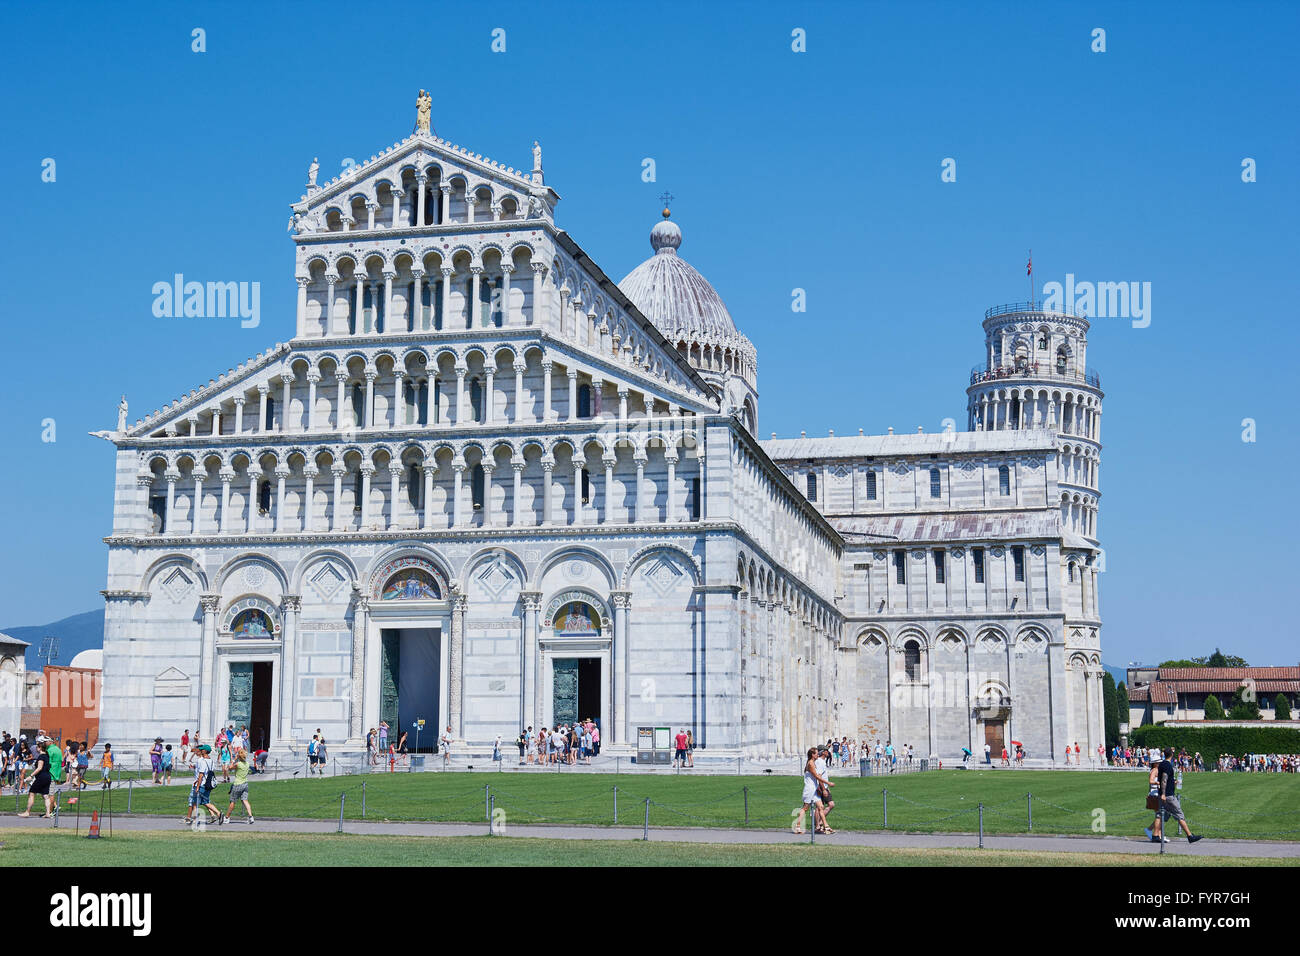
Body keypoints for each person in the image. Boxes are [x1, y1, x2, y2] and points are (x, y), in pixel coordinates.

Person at [1146, 747, 1203, 844]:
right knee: (1179, 814)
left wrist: (1173, 782)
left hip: (1162, 794)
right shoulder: (1168, 765)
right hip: (1168, 795)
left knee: (1160, 815)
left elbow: (1165, 779)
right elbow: (1164, 779)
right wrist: (1164, 794)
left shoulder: (1162, 764)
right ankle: (1190, 836)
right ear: (1172, 755)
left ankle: (1155, 835)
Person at [794, 747, 831, 834]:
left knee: (821, 807)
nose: (818, 754)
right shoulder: (810, 764)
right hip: (809, 789)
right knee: (805, 808)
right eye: (816, 753)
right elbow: (817, 776)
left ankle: (826, 826)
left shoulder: (813, 763)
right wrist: (828, 783)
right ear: (812, 755)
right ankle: (798, 826)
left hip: (814, 789)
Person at [18, 741, 54, 818]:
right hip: (47, 776)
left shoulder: (41, 757)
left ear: (40, 748)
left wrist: (31, 776)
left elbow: (39, 768)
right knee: (45, 795)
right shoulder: (47, 756)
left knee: (31, 793)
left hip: (41, 777)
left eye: (37, 747)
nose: (36, 749)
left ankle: (27, 812)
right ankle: (48, 813)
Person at [188, 744, 222, 825]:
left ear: (205, 751)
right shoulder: (211, 761)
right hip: (208, 784)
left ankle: (218, 814)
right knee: (205, 801)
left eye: (202, 749)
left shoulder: (203, 761)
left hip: (202, 784)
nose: (201, 750)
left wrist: (198, 786)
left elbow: (201, 775)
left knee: (196, 801)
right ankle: (217, 814)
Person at [224, 748, 255, 824]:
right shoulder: (247, 764)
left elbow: (229, 768)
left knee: (233, 801)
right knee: (245, 800)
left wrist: (234, 760)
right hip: (245, 784)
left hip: (238, 784)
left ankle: (227, 817)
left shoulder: (238, 764)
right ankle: (251, 816)